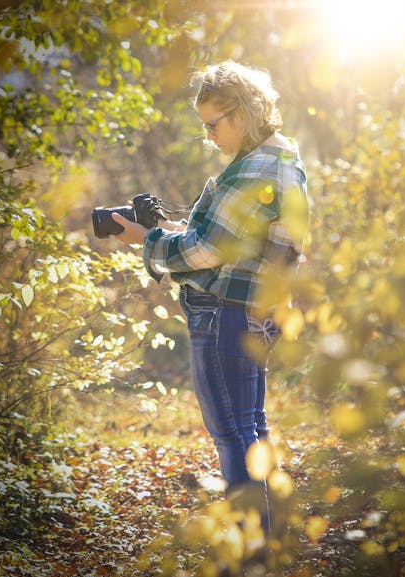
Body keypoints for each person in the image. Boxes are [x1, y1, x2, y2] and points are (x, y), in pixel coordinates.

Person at [112, 61, 308, 534]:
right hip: (258, 310)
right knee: (253, 428)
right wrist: (170, 231)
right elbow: (232, 243)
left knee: (232, 433)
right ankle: (271, 539)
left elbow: (204, 251)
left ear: (242, 113)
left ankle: (250, 548)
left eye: (213, 124)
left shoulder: (251, 170)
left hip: (227, 316)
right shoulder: (284, 160)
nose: (209, 136)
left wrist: (146, 241)